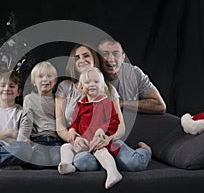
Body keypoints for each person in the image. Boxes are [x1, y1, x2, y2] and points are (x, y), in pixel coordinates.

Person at [55, 44, 152, 172]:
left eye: (86, 56)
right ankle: (107, 166)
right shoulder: (65, 87)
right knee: (84, 164)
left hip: (108, 141)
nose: (81, 60)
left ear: (94, 59)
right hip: (83, 145)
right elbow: (60, 126)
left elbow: (120, 126)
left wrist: (107, 138)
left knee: (134, 164)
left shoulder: (107, 88)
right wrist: (73, 139)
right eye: (76, 57)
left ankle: (145, 151)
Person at [58, 67, 122, 189]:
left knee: (101, 153)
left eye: (96, 82)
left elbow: (114, 121)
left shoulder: (106, 103)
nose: (92, 85)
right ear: (81, 87)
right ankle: (67, 165)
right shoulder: (80, 105)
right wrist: (72, 130)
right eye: (87, 82)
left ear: (102, 87)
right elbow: (75, 121)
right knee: (66, 147)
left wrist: (102, 130)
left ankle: (113, 172)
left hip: (98, 142)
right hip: (84, 141)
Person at [98, 38, 166, 114]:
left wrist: (122, 104)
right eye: (105, 54)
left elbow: (159, 105)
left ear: (123, 57)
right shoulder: (91, 75)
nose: (110, 59)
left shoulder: (134, 73)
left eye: (116, 54)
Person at [17, 61, 63, 168]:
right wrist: (21, 143)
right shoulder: (29, 99)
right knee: (39, 162)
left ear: (55, 80)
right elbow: (26, 123)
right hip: (39, 140)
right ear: (34, 82)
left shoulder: (58, 99)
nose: (45, 79)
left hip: (56, 141)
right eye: (40, 76)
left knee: (58, 159)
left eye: (49, 76)